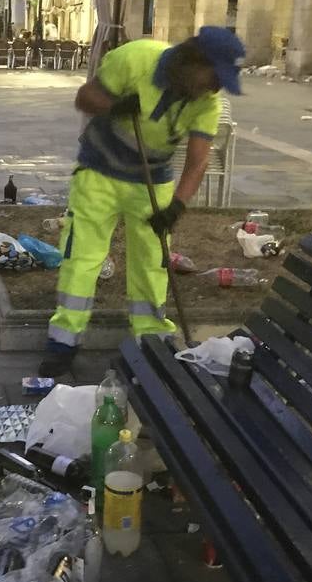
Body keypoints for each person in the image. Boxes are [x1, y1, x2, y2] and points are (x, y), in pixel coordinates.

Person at [39, 26, 245, 377]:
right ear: (193, 61)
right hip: (99, 173)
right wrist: (114, 106)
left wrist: (176, 206)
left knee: (152, 261)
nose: (216, 88)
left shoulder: (206, 103)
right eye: (214, 78)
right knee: (82, 257)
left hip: (152, 180)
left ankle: (152, 341)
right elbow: (84, 98)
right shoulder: (135, 59)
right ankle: (63, 342)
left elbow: (198, 162)